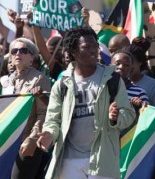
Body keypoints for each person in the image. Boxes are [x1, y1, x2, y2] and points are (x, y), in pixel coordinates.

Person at [36, 26, 136, 179]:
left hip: (103, 159)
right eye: (86, 47)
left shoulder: (112, 79)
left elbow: (128, 115)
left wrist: (115, 118)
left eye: (95, 46)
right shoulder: (62, 84)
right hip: (70, 161)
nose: (94, 50)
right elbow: (53, 120)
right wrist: (49, 134)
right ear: (74, 51)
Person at [0, 37, 51, 179]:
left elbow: (44, 113)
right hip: (7, 141)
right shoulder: (6, 82)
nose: (18, 54)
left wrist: (33, 139)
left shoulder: (40, 79)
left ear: (31, 57)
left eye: (23, 51)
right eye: (14, 51)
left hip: (26, 142)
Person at [110, 49, 149, 114]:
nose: (121, 67)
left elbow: (147, 115)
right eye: (117, 63)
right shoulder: (102, 87)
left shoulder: (139, 92)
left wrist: (139, 106)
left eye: (126, 65)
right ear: (110, 67)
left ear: (131, 70)